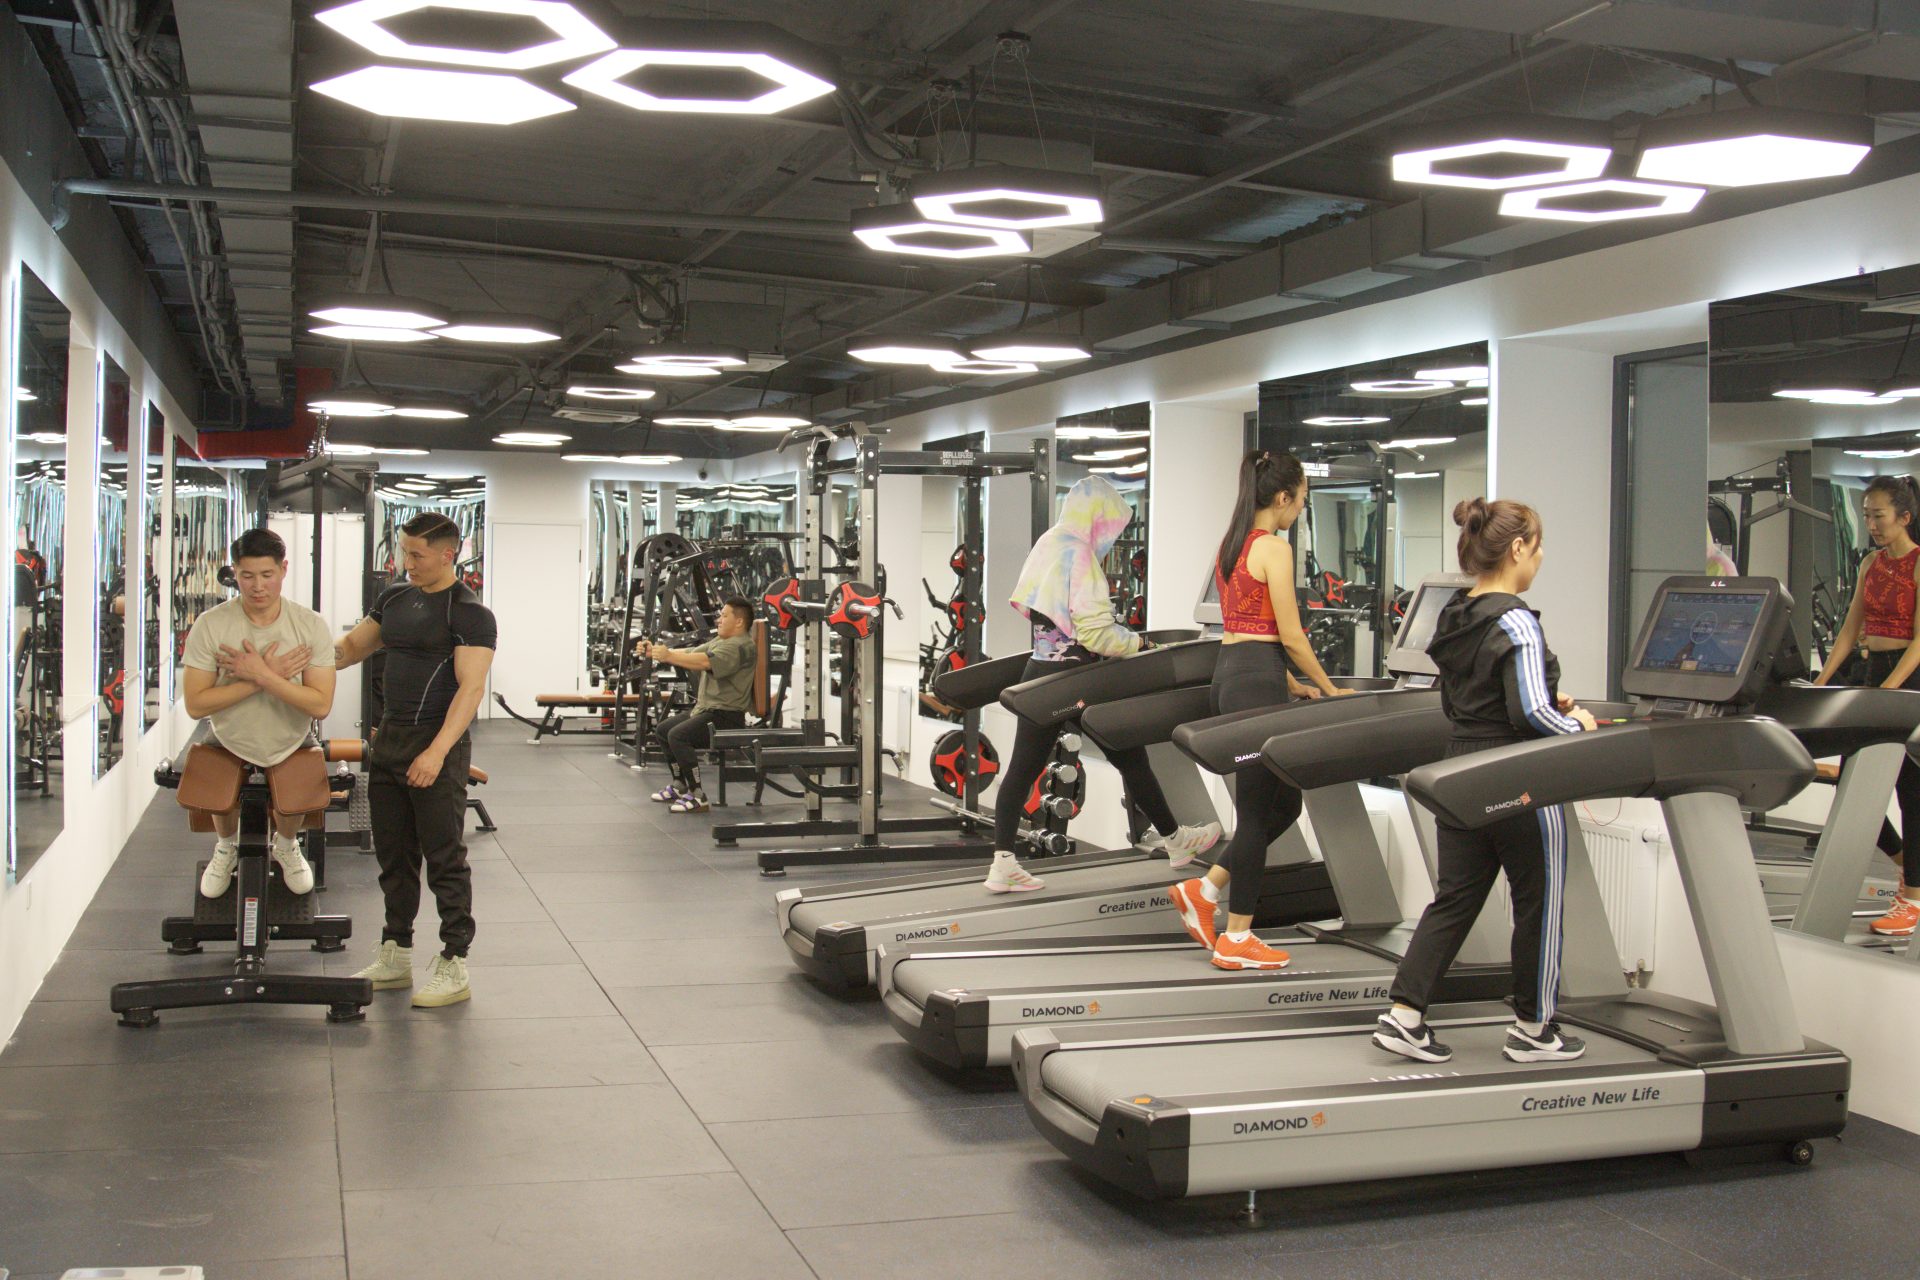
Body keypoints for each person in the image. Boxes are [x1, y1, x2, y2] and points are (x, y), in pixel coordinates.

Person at [1373, 498, 1596, 1066]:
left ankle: (1404, 1015)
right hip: (1518, 772)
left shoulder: (1454, 615)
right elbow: (1532, 717)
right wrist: (1578, 723)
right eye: (1538, 545)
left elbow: (1468, 697)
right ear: (1517, 549)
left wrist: (1540, 697)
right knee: (1538, 900)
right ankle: (1534, 1028)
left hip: (1462, 767)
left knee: (1455, 896)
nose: (1540, 557)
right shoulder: (1515, 617)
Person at [985, 475, 1220, 894]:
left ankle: (1002, 861)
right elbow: (1096, 635)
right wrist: (1140, 643)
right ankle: (1175, 840)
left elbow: (1035, 607)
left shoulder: (1049, 542)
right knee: (1129, 755)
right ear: (1097, 516)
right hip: (1079, 679)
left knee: (1028, 767)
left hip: (1040, 673)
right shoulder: (1079, 556)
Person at [1170, 450, 1346, 971]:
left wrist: (1291, 685)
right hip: (1253, 684)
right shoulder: (1273, 546)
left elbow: (1253, 632)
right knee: (1253, 816)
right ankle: (1238, 936)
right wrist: (1329, 689)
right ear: (1283, 497)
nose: (1301, 510)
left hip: (1235, 676)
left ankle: (1205, 890)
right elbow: (1289, 634)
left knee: (1283, 806)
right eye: (1303, 500)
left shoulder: (1232, 544)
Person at [335, 511, 497, 1009]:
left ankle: (454, 960)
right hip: (389, 742)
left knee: (443, 857)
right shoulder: (394, 599)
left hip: (437, 744)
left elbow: (470, 690)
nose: (407, 563)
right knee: (393, 855)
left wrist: (437, 751)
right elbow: (346, 651)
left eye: (417, 555)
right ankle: (396, 951)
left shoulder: (468, 613)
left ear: (448, 554)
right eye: (405, 552)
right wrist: (284, 659)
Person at [179, 528, 337, 897]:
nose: (257, 586)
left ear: (283, 569)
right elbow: (196, 705)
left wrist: (261, 674)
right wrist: (262, 678)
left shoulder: (309, 625)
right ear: (235, 572)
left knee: (298, 784)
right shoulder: (211, 625)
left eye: (267, 575)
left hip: (292, 733)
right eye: (247, 576)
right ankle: (226, 845)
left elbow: (320, 705)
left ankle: (286, 843)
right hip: (228, 732)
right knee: (214, 779)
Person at [1814, 475, 1920, 937]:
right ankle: (1910, 869)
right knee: (1852, 787)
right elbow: (1848, 629)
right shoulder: (1870, 565)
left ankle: (1913, 897)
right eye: (1867, 515)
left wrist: (1891, 691)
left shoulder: (1919, 564)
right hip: (1872, 672)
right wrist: (1821, 681)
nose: (1871, 523)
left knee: (1910, 790)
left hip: (1909, 675)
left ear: (1904, 517)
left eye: (1878, 515)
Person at [641, 596, 757, 814]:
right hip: (707, 711)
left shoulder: (740, 646)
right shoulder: (721, 641)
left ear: (739, 622)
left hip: (726, 717)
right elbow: (690, 653)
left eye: (724, 616)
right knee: (663, 730)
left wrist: (667, 656)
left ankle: (698, 795)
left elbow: (704, 662)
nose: (719, 620)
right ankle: (679, 784)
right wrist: (656, 653)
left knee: (678, 735)